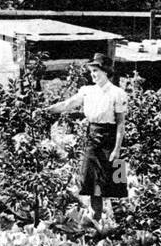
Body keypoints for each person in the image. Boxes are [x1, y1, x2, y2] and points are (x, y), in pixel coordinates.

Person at [40, 53, 128, 225]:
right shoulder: (87, 91)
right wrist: (46, 110)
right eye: (92, 71)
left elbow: (120, 124)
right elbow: (67, 104)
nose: (93, 74)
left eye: (96, 71)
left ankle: (117, 219)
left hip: (110, 138)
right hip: (92, 136)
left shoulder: (118, 93)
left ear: (106, 72)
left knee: (113, 180)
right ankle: (96, 217)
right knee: (92, 180)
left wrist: (117, 149)